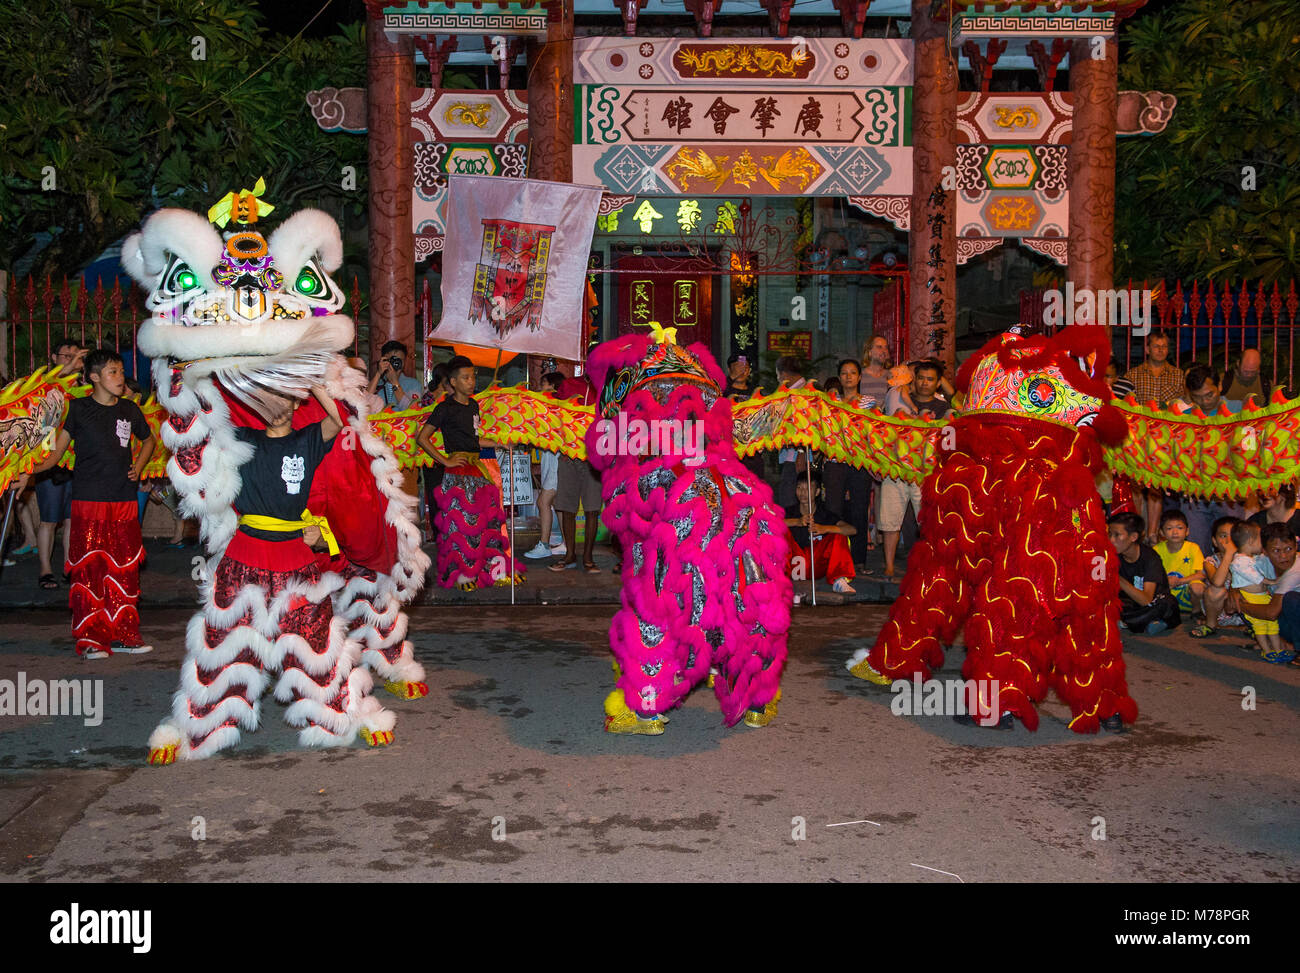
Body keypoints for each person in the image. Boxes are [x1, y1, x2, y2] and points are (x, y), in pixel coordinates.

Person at [15, 348, 158, 658]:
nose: (120, 378)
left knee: (123, 569)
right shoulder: (78, 409)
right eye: (113, 372)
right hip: (88, 500)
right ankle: (92, 639)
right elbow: (54, 455)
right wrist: (28, 472)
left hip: (123, 499)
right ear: (94, 377)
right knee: (90, 570)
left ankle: (123, 634)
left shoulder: (131, 411)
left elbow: (149, 440)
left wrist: (141, 464)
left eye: (121, 372)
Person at [419, 355, 522, 590]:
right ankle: (463, 574)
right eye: (466, 377)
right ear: (453, 382)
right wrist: (445, 460)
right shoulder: (444, 408)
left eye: (473, 376)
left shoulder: (474, 405)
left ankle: (489, 569)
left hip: (477, 470)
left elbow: (474, 439)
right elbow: (422, 438)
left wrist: (499, 444)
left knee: (486, 522)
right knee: (461, 526)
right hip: (456, 473)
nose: (471, 381)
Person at [31, 338, 83, 588]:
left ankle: (68, 568)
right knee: (49, 520)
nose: (72, 360)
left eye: (77, 356)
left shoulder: (84, 386)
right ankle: (45, 570)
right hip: (50, 462)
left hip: (77, 462)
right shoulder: (47, 385)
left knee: (73, 520)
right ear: (53, 358)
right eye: (66, 356)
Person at [822, 358, 874, 565]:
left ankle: (859, 560)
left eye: (853, 373)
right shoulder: (831, 401)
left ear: (859, 377)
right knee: (833, 508)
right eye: (844, 373)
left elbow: (871, 432)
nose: (848, 376)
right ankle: (834, 558)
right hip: (835, 461)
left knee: (860, 508)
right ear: (839, 377)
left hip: (859, 462)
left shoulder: (868, 402)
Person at [550, 370, 603, 574]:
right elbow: (556, 416)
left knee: (592, 509)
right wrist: (561, 445)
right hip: (568, 457)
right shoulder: (569, 384)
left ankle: (588, 558)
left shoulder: (608, 387)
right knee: (567, 507)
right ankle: (569, 555)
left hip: (594, 458)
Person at [1229, 523, 1300, 664]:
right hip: (1286, 617)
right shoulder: (1260, 562)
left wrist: (1240, 606)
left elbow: (1271, 613)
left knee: (1291, 600)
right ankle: (1276, 643)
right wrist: (1234, 591)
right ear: (1265, 552)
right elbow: (1238, 571)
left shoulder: (1296, 570)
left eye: (1288, 549)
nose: (1283, 556)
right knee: (1253, 596)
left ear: (1296, 547)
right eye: (1276, 551)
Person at [1108, 511, 1181, 635]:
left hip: (1153, 603)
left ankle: (1132, 622)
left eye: (1117, 535)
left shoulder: (1150, 558)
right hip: (1130, 604)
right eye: (1109, 534)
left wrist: (1117, 579)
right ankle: (1145, 623)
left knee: (1168, 603)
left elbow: (1146, 600)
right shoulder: (1111, 555)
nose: (1111, 540)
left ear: (1133, 537)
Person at [878, 364, 920, 579]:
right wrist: (915, 411)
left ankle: (890, 566)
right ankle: (890, 566)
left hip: (902, 457)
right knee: (892, 517)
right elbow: (906, 402)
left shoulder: (889, 393)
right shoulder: (900, 391)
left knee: (896, 519)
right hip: (902, 456)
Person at [784, 476, 857, 594]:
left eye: (807, 488)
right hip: (792, 563)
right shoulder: (788, 512)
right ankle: (775, 580)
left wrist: (825, 528)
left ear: (817, 492)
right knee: (778, 531)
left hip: (815, 564)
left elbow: (852, 530)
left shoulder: (824, 514)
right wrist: (796, 522)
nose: (802, 492)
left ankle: (839, 580)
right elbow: (769, 523)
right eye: (799, 488)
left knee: (838, 534)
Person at [523, 370, 566, 559]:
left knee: (543, 501)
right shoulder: (551, 408)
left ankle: (544, 544)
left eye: (543, 385)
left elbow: (552, 436)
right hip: (551, 460)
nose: (540, 389)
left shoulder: (556, 409)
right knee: (558, 505)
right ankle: (566, 543)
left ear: (552, 386)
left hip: (557, 462)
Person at [1192, 516, 1243, 638]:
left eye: (1232, 535)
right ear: (1215, 541)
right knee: (1215, 590)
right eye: (1223, 536)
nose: (1228, 540)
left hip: (1241, 610)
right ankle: (1211, 625)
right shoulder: (1210, 561)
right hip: (1219, 611)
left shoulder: (1247, 559)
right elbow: (1218, 582)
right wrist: (1229, 554)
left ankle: (1249, 625)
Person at [1154, 509, 1206, 625]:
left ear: (1187, 531)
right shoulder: (1157, 550)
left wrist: (1179, 581)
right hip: (1167, 594)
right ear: (1161, 533)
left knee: (1197, 587)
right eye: (1169, 528)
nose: (1175, 532)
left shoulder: (1193, 548)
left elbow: (1201, 574)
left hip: (1187, 593)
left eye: (1179, 528)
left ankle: (1196, 611)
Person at [774, 356, 807, 507]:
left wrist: (800, 452)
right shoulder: (795, 391)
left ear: (784, 375)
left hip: (796, 456)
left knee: (790, 500)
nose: (778, 379)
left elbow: (804, 426)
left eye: (778, 375)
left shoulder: (801, 392)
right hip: (791, 454)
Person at [368, 340, 422, 411]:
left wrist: (395, 383)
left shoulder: (413, 384)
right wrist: (378, 373)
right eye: (392, 360)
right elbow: (364, 404)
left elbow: (414, 411)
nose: (396, 363)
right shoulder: (377, 384)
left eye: (399, 360)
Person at [859, 335, 893, 407]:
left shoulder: (891, 375)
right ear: (869, 352)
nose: (884, 351)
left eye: (886, 347)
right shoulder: (859, 375)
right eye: (879, 347)